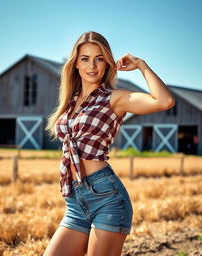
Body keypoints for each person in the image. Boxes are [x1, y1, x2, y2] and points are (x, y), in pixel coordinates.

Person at [44, 31, 175, 256]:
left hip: (107, 198)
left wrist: (141, 65)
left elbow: (165, 101)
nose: (92, 65)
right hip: (75, 201)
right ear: (75, 63)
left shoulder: (115, 98)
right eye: (85, 58)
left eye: (99, 58)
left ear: (107, 63)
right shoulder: (70, 101)